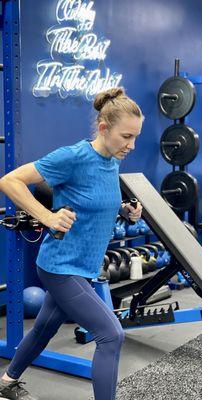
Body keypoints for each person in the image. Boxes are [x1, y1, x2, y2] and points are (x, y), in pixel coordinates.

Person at [0, 87, 144, 400]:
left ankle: (6, 382)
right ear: (104, 129)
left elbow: (92, 200)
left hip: (83, 266)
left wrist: (124, 211)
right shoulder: (74, 156)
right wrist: (46, 217)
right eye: (126, 136)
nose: (131, 145)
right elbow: (10, 181)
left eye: (135, 137)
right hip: (61, 266)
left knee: (43, 329)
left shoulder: (111, 160)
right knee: (111, 335)